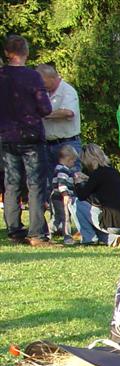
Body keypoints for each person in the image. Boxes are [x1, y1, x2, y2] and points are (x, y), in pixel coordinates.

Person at [0, 34, 52, 246]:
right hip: (31, 135)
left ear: (6, 53)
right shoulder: (33, 77)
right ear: (26, 53)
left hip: (6, 136)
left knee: (11, 184)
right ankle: (36, 233)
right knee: (35, 184)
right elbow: (45, 108)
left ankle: (14, 230)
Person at [73, 143, 120, 247]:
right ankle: (113, 239)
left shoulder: (97, 174)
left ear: (89, 159)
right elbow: (103, 188)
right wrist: (87, 179)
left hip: (111, 224)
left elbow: (82, 196)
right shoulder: (113, 172)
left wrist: (78, 183)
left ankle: (89, 238)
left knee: (74, 202)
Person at [37, 64, 81, 186]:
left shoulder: (67, 91)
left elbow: (68, 112)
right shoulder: (44, 93)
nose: (41, 85)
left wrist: (45, 114)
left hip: (67, 143)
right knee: (50, 183)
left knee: (71, 181)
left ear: (52, 78)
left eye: (43, 82)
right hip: (48, 144)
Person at [49, 143, 78, 245]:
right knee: (66, 217)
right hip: (60, 197)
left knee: (56, 218)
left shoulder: (59, 169)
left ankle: (48, 232)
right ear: (68, 159)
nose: (74, 163)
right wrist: (65, 195)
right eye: (73, 161)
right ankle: (67, 237)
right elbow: (61, 184)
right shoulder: (63, 170)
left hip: (55, 197)